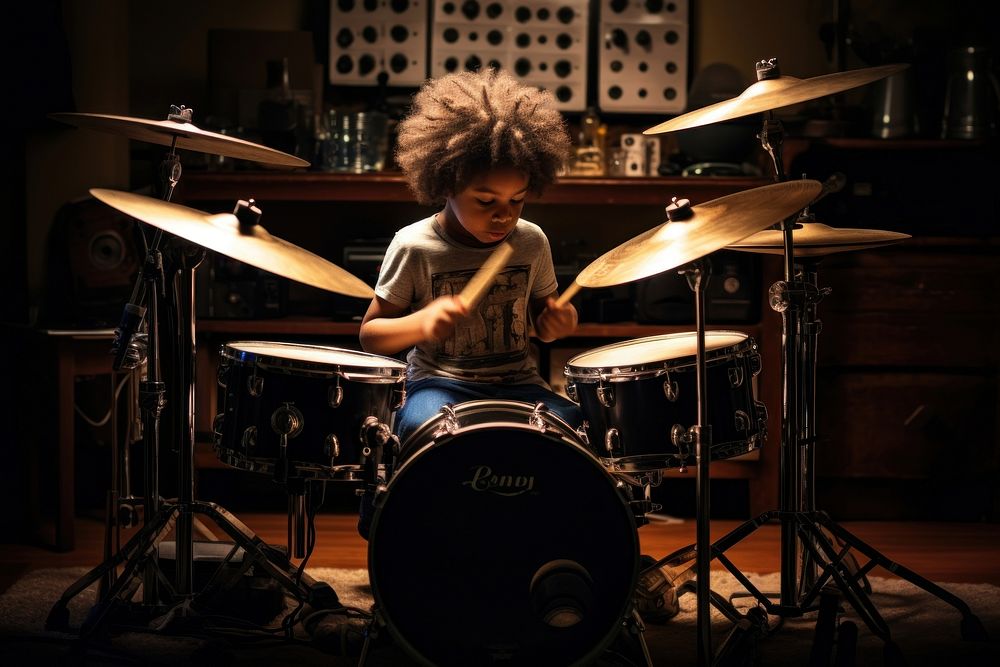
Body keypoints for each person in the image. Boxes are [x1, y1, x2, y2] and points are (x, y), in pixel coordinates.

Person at [355, 69, 582, 536]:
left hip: (519, 384)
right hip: (439, 385)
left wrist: (559, 321)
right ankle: (402, 539)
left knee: (576, 430)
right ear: (445, 183)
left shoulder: (530, 241)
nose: (504, 215)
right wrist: (421, 324)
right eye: (485, 201)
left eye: (517, 201)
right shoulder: (415, 246)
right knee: (420, 434)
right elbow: (371, 336)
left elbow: (545, 317)